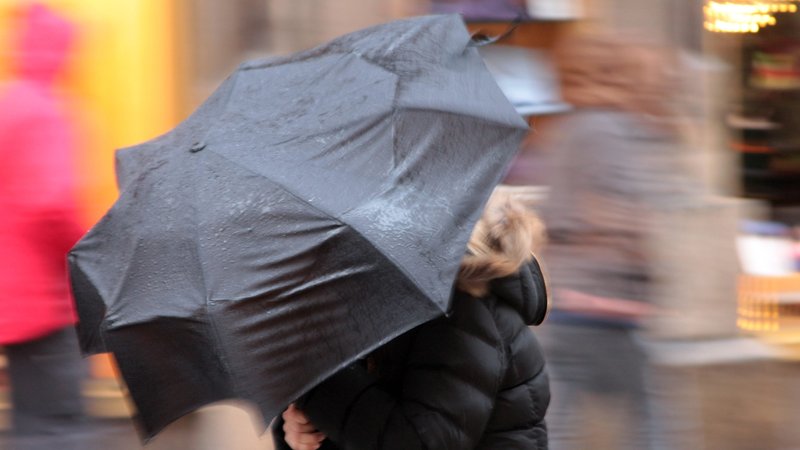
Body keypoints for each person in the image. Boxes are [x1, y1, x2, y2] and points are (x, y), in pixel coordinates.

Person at [272, 187, 550, 450]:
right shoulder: (379, 294)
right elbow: (373, 414)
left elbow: (422, 441)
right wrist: (305, 430)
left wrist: (318, 383)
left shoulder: (461, 309)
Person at [534, 28, 699, 450]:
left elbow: (556, 212)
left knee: (559, 421)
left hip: (569, 300)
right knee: (652, 416)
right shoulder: (606, 129)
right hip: (606, 300)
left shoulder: (567, 130)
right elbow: (617, 210)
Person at [0, 4, 88, 448]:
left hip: (10, 302)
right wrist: (88, 250)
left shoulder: (6, 102)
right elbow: (53, 203)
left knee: (33, 422)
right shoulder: (45, 111)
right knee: (55, 428)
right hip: (45, 303)